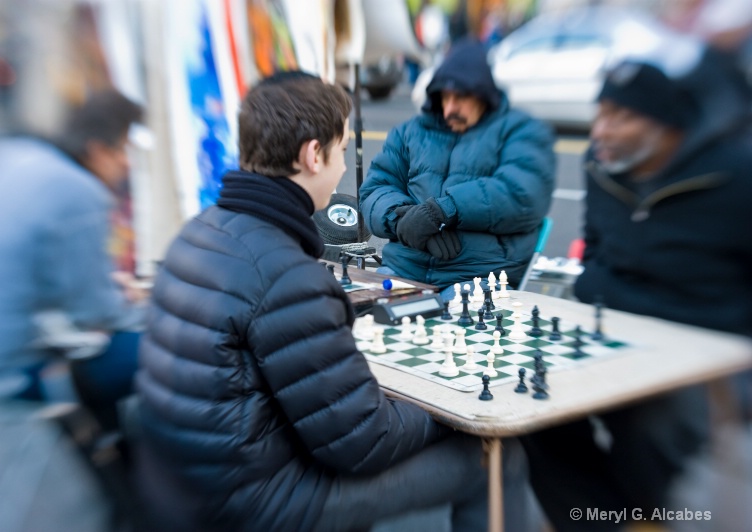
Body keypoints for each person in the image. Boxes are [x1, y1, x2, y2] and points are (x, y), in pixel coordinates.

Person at [132, 71, 489, 532]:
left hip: (176, 485)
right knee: (489, 459)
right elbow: (363, 441)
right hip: (248, 504)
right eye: (341, 150)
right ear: (313, 155)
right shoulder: (284, 273)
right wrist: (454, 408)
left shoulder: (200, 230)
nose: (343, 169)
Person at [521, 58, 752, 531]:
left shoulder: (735, 175)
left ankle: (651, 514)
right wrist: (609, 291)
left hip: (710, 355)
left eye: (621, 115)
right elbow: (592, 266)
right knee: (534, 409)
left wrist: (619, 295)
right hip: (616, 335)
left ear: (666, 126)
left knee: (650, 418)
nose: (600, 130)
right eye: (599, 112)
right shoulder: (600, 166)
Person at [0, 88, 147, 426]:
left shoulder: (9, 153)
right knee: (167, 347)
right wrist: (137, 298)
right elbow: (99, 313)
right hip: (14, 372)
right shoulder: (78, 191)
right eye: (125, 151)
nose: (129, 165)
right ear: (98, 150)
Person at [359, 38, 555, 300]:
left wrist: (443, 211)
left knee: (455, 330)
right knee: (360, 318)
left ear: (484, 96)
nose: (450, 108)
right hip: (405, 269)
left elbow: (522, 195)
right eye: (445, 97)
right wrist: (404, 220)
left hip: (478, 275)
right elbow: (375, 189)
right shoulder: (408, 132)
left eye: (461, 98)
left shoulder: (521, 131)